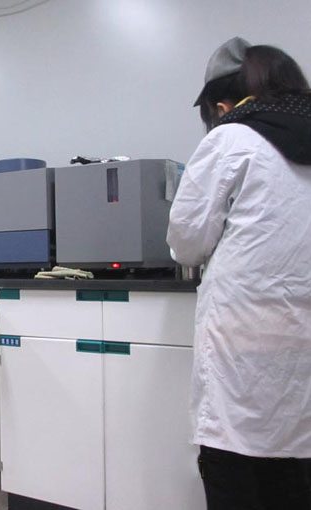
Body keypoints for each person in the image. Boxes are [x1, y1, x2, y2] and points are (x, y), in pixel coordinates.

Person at [167, 37, 311, 510]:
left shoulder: (230, 138)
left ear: (224, 106)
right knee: (294, 469)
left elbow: (187, 241)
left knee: (235, 462)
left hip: (242, 336)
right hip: (302, 343)